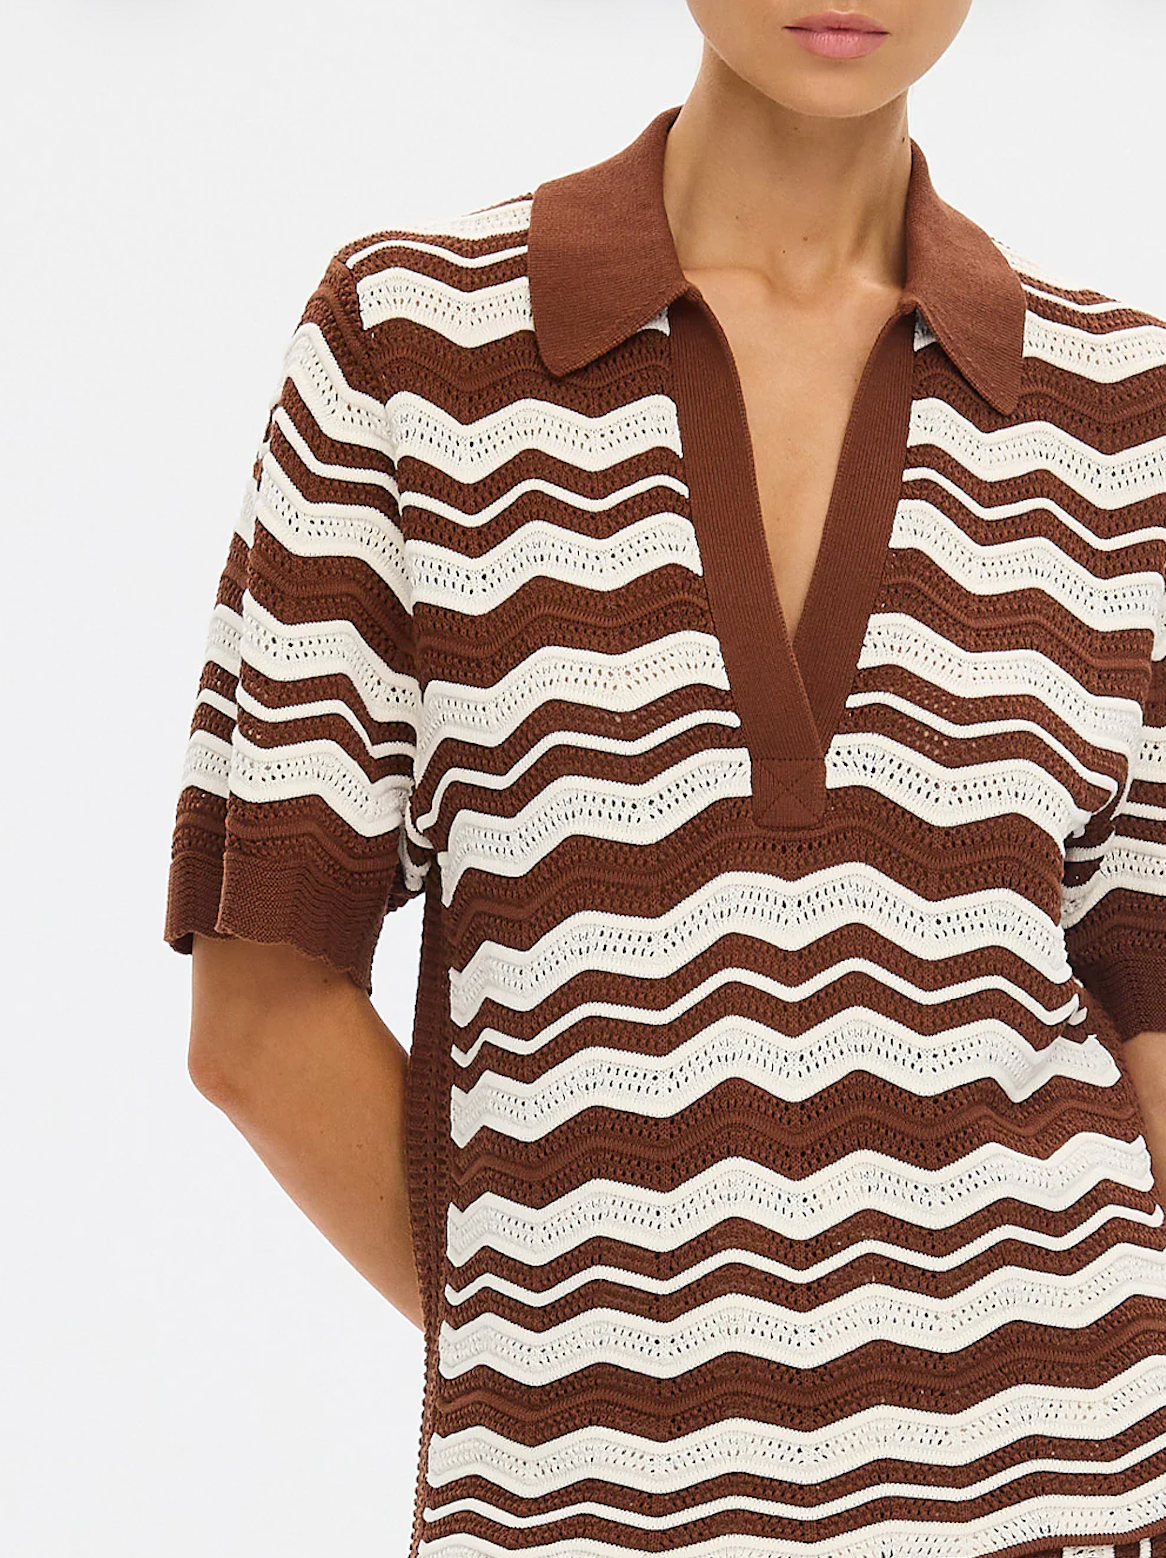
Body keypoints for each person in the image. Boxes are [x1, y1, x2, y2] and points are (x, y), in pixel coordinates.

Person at [162, 3, 1166, 1555]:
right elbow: (258, 1021)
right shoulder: (411, 353)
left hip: (1067, 1486)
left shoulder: (1120, 413)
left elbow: (1147, 1003)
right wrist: (596, 1364)